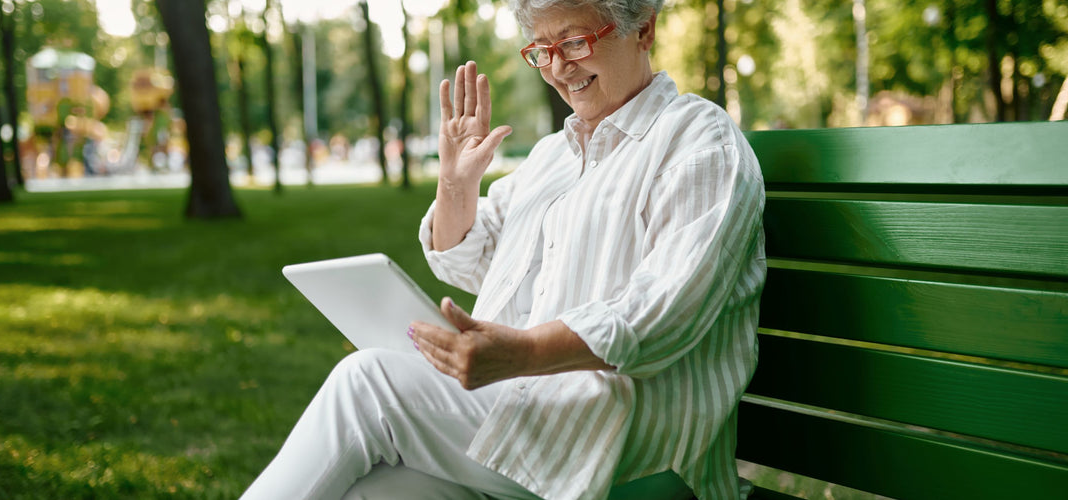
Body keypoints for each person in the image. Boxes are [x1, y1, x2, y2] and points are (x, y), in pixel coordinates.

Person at [240, 0, 765, 498]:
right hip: (523, 413)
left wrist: (525, 353)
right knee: (371, 490)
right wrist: (455, 185)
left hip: (629, 439)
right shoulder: (554, 156)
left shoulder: (697, 140)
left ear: (643, 29)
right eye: (540, 50)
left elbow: (661, 315)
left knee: (368, 382)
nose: (558, 69)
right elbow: (467, 258)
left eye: (575, 42)